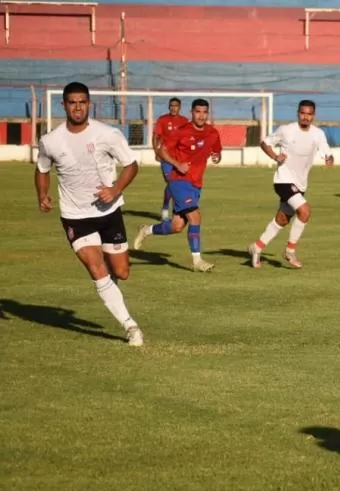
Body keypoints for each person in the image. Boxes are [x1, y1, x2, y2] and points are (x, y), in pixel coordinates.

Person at [34, 81, 144, 346]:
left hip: (109, 212)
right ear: (64, 105)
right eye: (72, 102)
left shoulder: (107, 134)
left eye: (82, 101)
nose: (77, 107)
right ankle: (131, 327)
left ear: (89, 104)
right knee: (97, 269)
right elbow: (42, 169)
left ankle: (109, 287)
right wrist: (42, 195)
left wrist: (115, 189)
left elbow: (131, 165)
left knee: (122, 271)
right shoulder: (51, 140)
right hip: (74, 215)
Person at [134, 98, 222, 272]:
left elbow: (217, 151)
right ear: (192, 112)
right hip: (179, 180)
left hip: (196, 184)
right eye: (198, 112)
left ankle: (146, 230)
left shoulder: (213, 133)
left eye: (204, 112)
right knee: (195, 216)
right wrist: (177, 164)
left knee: (177, 226)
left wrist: (216, 157)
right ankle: (197, 261)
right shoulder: (181, 131)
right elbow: (162, 151)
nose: (201, 116)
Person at [248, 100, 334, 269]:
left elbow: (326, 151)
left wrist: (329, 158)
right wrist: (275, 156)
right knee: (305, 211)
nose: (306, 117)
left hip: (300, 184)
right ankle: (290, 251)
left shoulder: (318, 134)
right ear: (297, 113)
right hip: (283, 180)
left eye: (309, 114)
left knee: (282, 219)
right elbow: (265, 142)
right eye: (303, 113)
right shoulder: (287, 130)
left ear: (313, 116)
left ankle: (256, 247)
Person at [152, 97, 188, 221]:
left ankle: (175, 211)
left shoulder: (184, 121)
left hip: (180, 159)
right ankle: (166, 209)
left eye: (176, 105)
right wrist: (156, 151)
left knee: (177, 184)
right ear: (169, 107)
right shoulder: (163, 120)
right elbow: (156, 136)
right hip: (166, 157)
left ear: (179, 107)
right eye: (171, 105)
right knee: (172, 182)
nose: (173, 108)